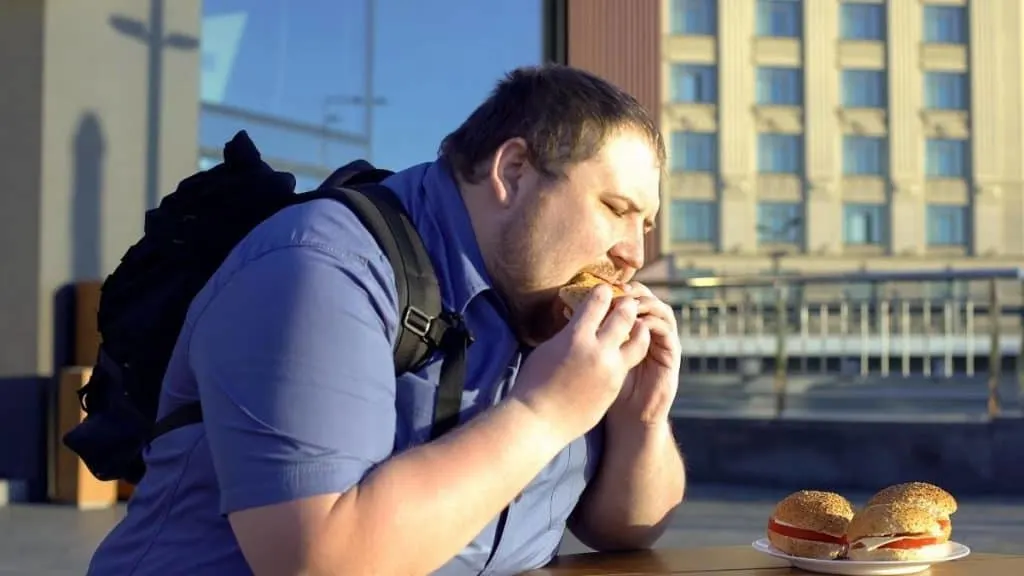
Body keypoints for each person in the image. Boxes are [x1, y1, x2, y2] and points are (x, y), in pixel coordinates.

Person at [86, 63, 686, 575]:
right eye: (616, 210)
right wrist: (545, 412)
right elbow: (320, 560)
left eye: (646, 224)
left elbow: (622, 529)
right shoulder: (318, 267)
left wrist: (642, 417)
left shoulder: (543, 300)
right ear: (513, 172)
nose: (634, 253)